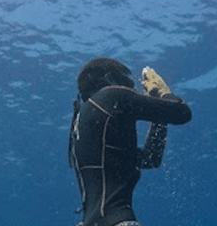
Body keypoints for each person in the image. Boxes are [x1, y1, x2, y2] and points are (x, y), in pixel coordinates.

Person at [68, 57, 192, 226]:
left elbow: (150, 158)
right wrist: (162, 92)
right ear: (110, 78)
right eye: (127, 81)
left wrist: (158, 116)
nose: (133, 88)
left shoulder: (83, 124)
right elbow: (181, 112)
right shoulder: (112, 95)